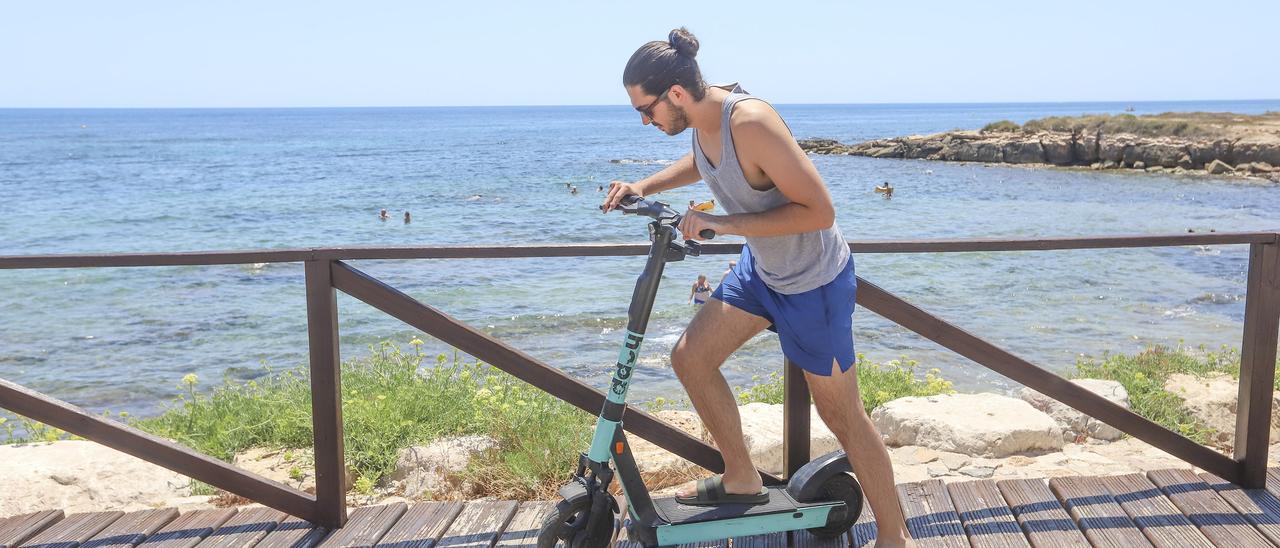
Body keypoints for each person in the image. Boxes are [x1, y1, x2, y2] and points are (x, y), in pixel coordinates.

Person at [603, 28, 914, 547]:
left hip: (812, 282)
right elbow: (705, 161)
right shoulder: (703, 121)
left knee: (843, 415)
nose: (643, 121)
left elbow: (820, 210)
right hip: (762, 271)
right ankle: (741, 477)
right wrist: (644, 185)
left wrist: (720, 226)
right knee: (690, 358)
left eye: (646, 110)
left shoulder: (750, 121)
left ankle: (893, 536)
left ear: (676, 94)